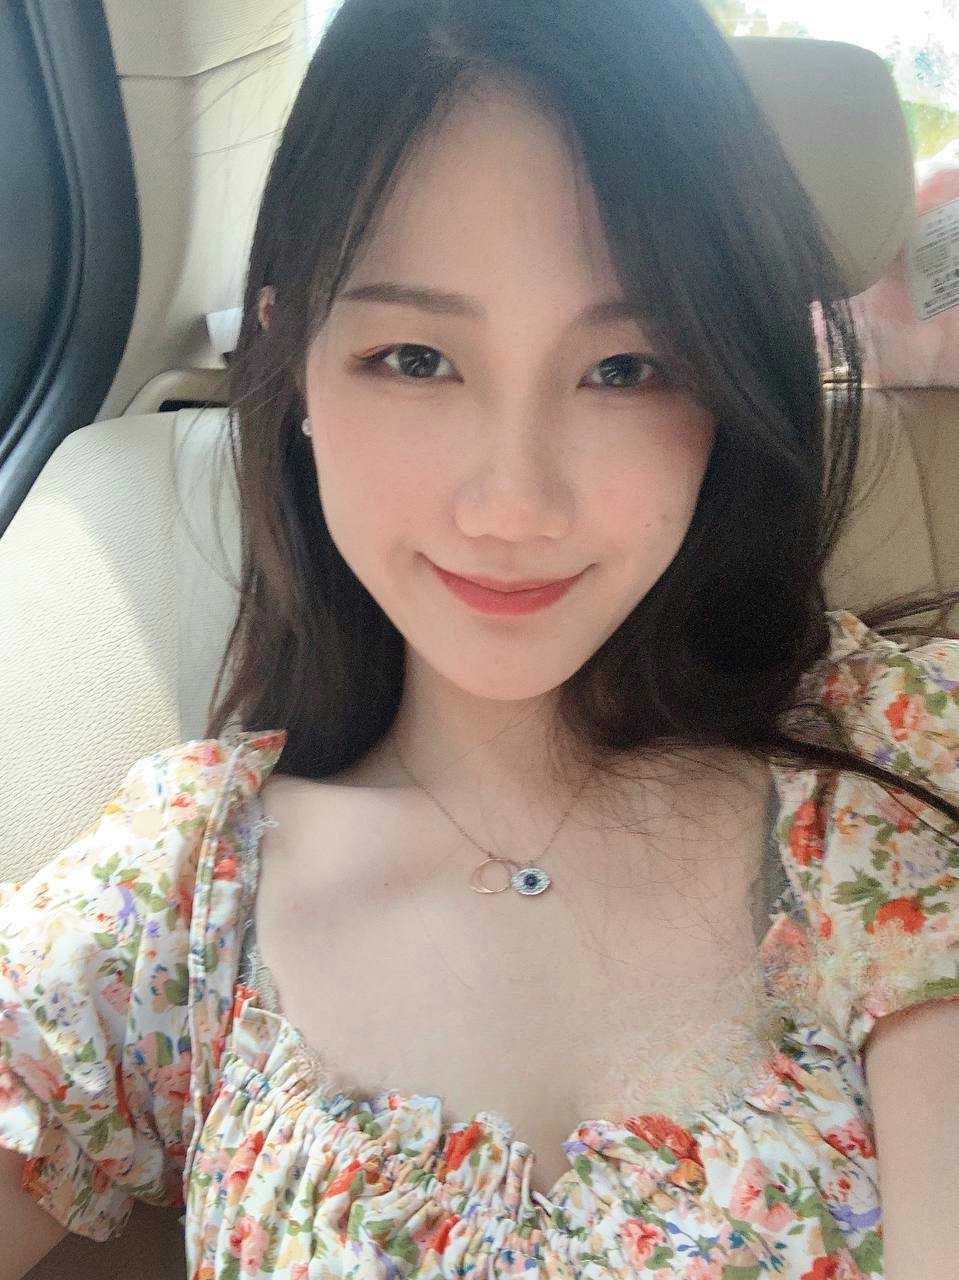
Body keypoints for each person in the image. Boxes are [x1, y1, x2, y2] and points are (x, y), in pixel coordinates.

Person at [3, 0, 959, 1276]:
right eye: (414, 357)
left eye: (626, 369)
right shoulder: (180, 892)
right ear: (292, 361)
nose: (513, 504)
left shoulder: (882, 773)